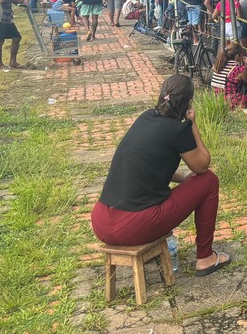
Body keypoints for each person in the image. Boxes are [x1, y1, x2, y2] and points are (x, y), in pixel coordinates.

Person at [91, 75, 230, 277]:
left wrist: (183, 179)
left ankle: (202, 256)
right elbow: (202, 165)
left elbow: (150, 163)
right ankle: (205, 258)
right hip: (133, 226)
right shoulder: (178, 130)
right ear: (188, 102)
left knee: (197, 182)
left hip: (101, 221)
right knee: (209, 181)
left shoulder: (145, 118)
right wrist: (193, 125)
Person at [210, 40, 247, 115]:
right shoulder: (238, 69)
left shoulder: (217, 66)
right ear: (237, 56)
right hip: (232, 103)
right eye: (241, 55)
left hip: (218, 100)